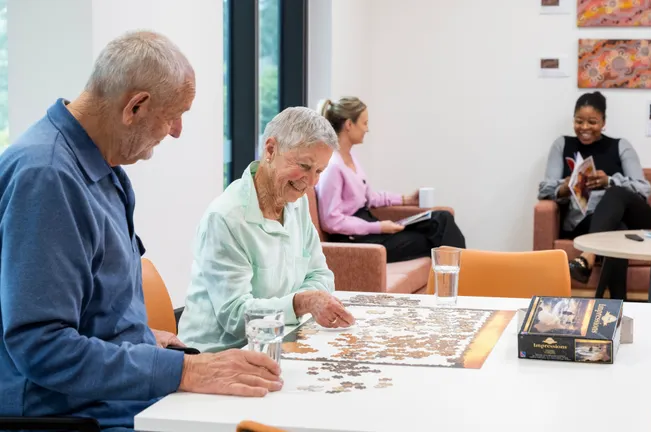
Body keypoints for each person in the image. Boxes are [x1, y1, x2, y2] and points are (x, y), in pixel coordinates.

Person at [0, 31, 282, 432]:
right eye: (173, 115)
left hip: (113, 395)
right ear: (135, 106)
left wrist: (142, 339)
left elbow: (88, 302)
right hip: (72, 414)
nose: (177, 130)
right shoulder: (46, 177)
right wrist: (183, 372)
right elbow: (41, 347)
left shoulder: (103, 166)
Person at [177, 106, 356, 353]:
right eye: (304, 166)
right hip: (218, 355)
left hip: (279, 341)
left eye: (319, 171)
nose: (311, 183)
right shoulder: (226, 218)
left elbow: (320, 275)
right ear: (271, 149)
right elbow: (236, 317)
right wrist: (300, 303)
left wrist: (307, 302)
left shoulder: (297, 203)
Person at [315, 97, 466, 263]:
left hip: (369, 228)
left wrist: (406, 199)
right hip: (356, 239)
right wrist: (378, 227)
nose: (367, 129)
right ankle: (466, 279)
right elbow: (331, 221)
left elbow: (370, 197)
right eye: (364, 123)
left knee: (440, 218)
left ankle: (465, 276)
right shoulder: (333, 167)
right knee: (433, 240)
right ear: (349, 125)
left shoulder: (350, 158)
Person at [538, 91, 651, 297]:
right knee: (617, 232)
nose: (584, 128)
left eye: (592, 122)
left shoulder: (620, 146)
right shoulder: (562, 145)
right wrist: (565, 187)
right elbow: (544, 189)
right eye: (579, 121)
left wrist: (608, 181)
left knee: (615, 192)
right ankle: (619, 304)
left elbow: (644, 188)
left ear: (603, 122)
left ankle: (588, 255)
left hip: (636, 216)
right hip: (586, 220)